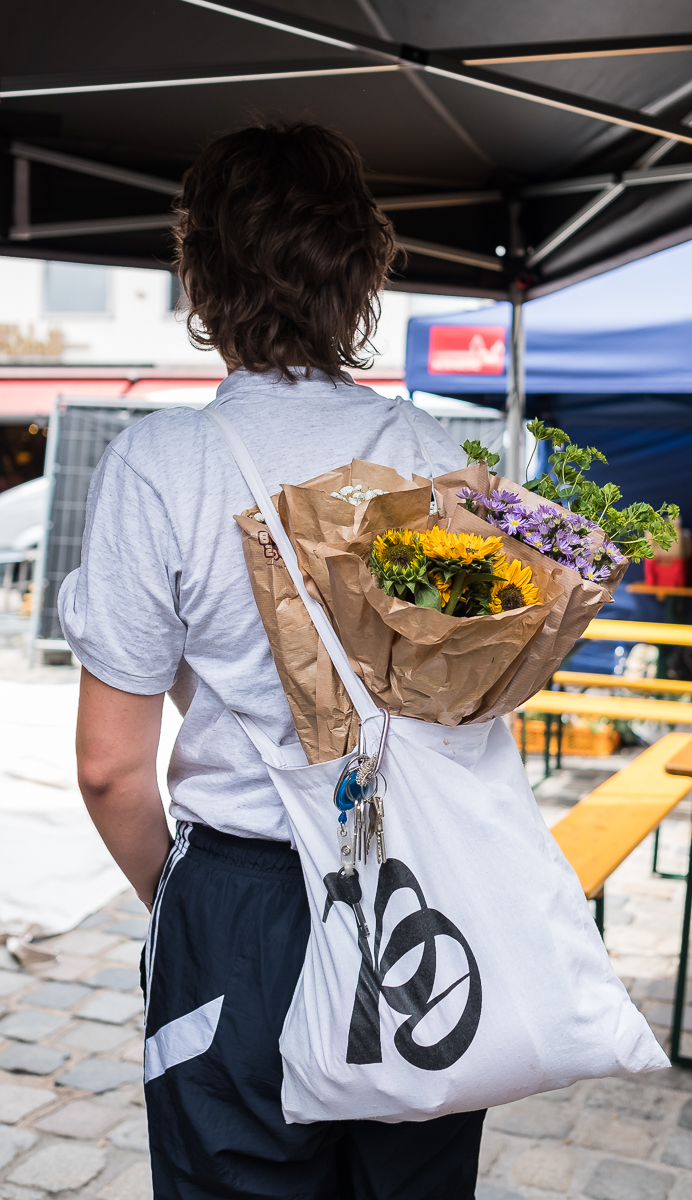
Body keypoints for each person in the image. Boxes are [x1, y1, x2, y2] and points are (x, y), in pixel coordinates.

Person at [59, 122, 483, 1199]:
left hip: (240, 903)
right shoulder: (445, 461)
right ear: (363, 269)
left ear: (199, 272)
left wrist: (190, 901)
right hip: (420, 892)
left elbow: (111, 767)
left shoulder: (163, 465)